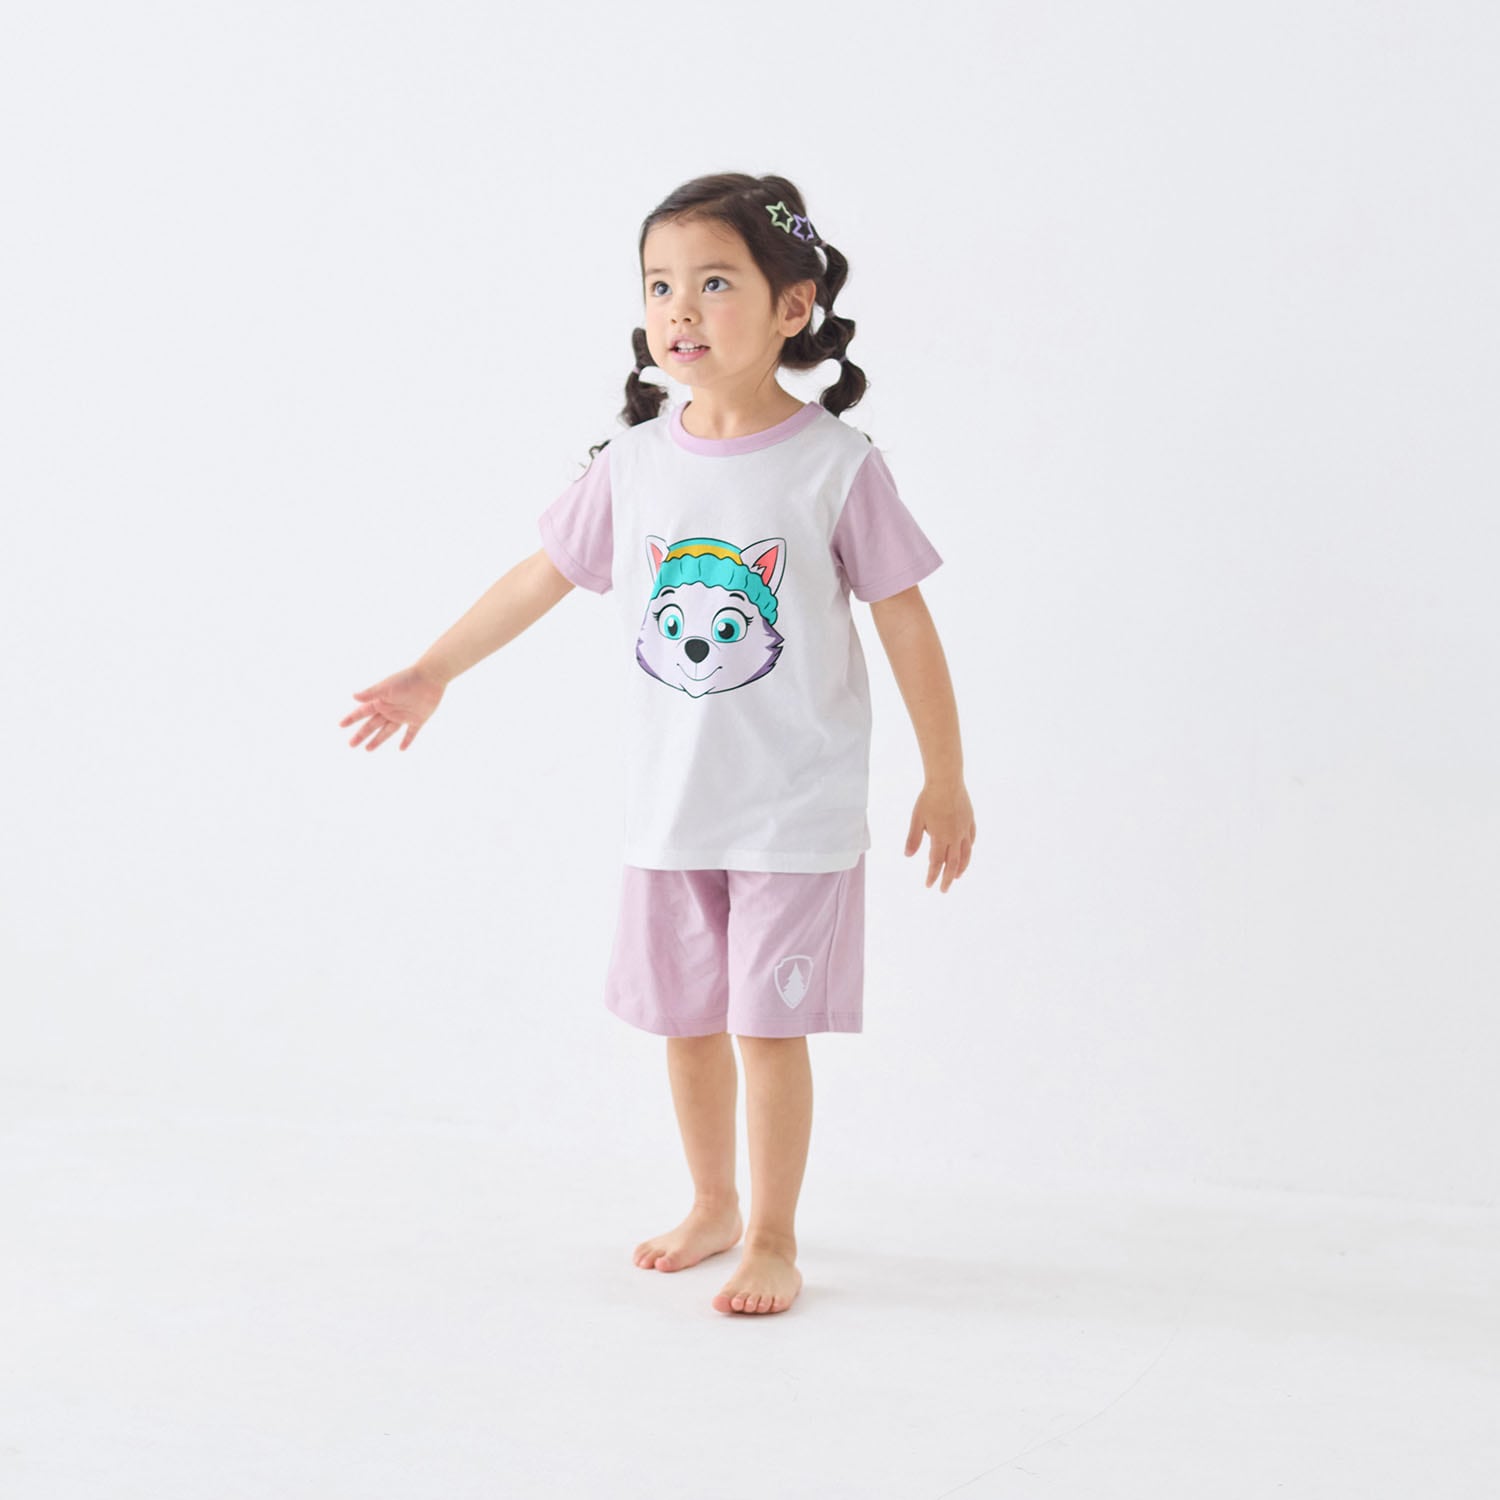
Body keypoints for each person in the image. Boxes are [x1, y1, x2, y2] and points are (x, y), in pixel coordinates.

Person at [339, 172, 975, 1318]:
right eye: (660, 285)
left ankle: (773, 1235)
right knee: (687, 1026)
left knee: (766, 1032)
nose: (680, 308)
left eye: (715, 283)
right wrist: (434, 670)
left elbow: (905, 619)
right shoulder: (632, 464)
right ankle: (713, 1203)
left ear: (793, 306)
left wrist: (947, 775)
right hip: (672, 811)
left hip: (794, 814)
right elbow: (540, 576)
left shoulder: (835, 466)